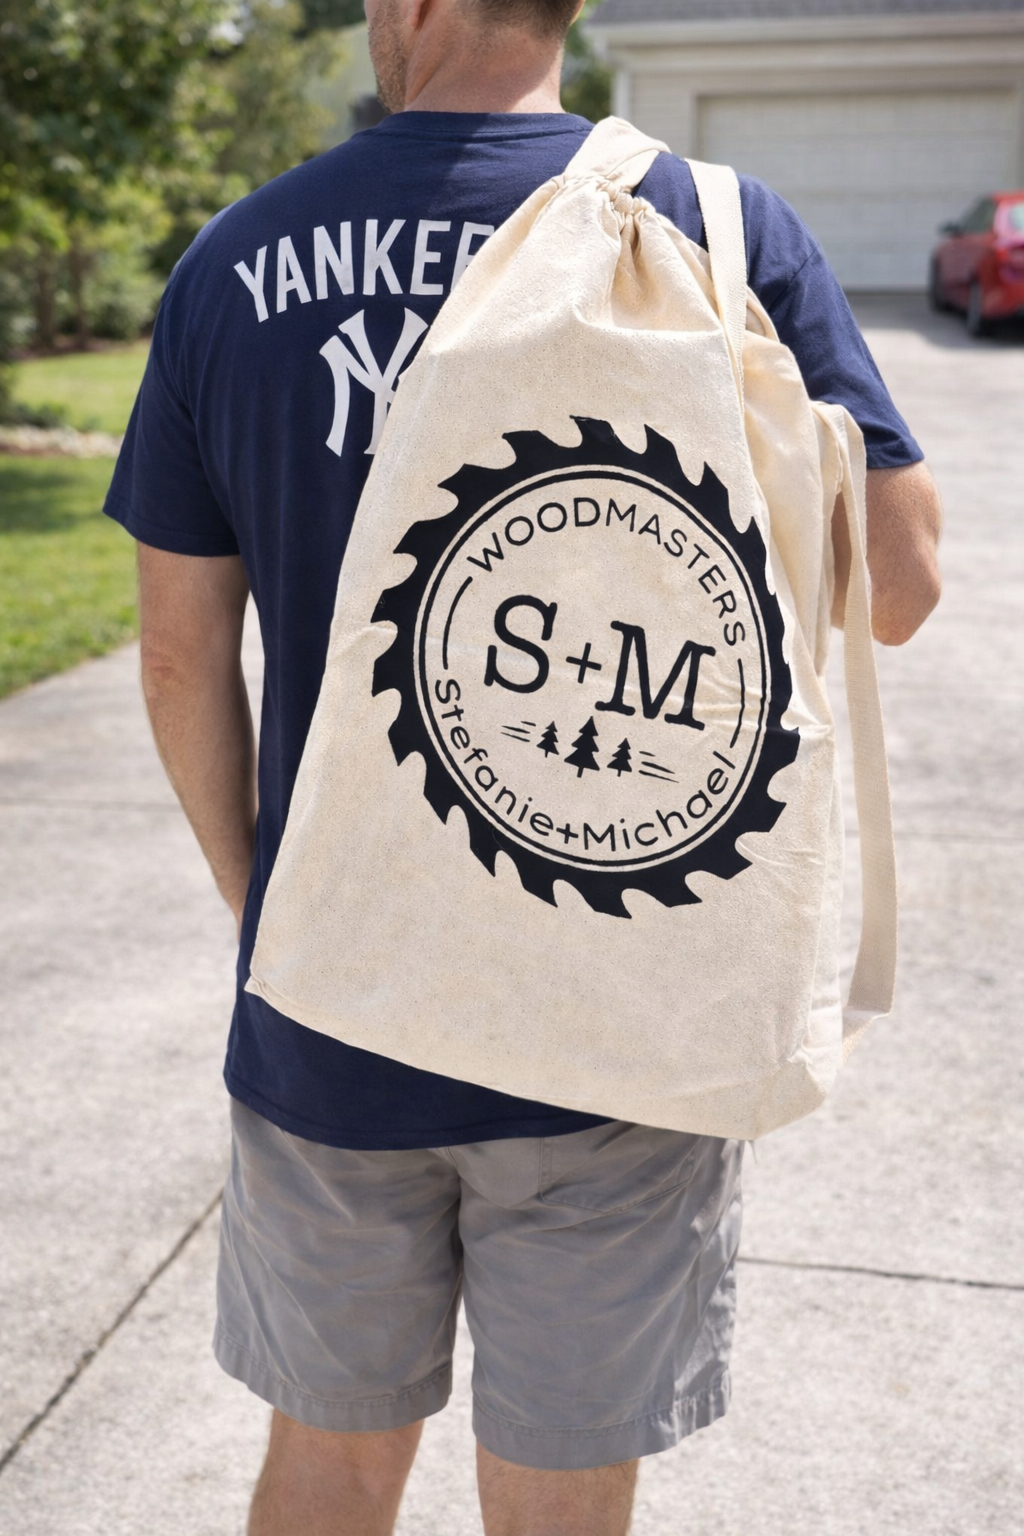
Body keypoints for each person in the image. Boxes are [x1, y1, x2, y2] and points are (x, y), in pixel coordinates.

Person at [104, 1, 942, 1531]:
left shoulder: (235, 263)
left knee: (329, 1463)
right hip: (622, 1016)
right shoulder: (723, 233)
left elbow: (176, 656)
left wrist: (274, 915)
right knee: (563, 1496)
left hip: (330, 1015)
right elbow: (899, 583)